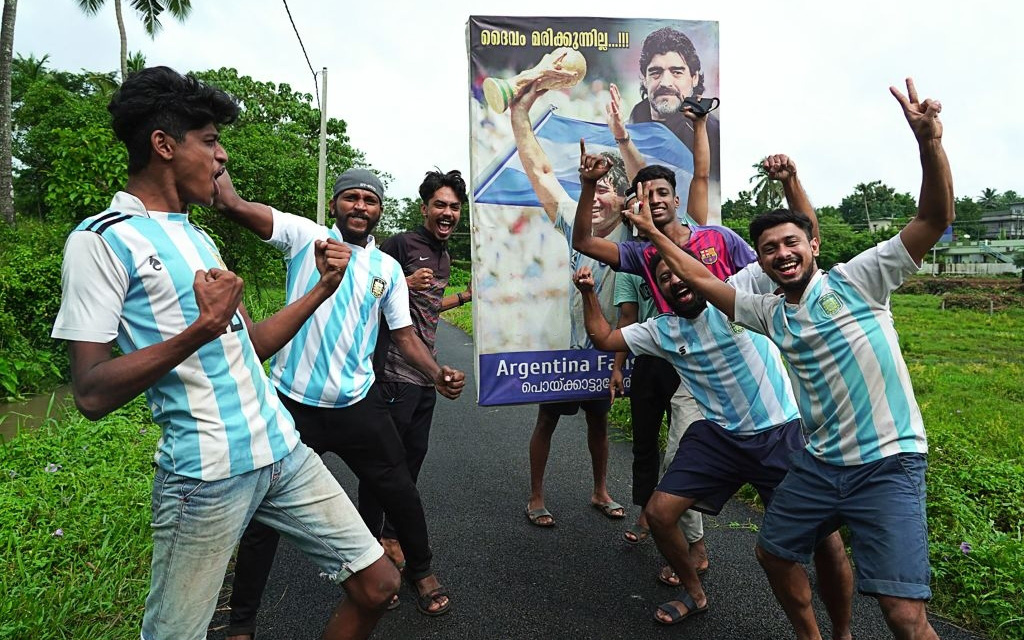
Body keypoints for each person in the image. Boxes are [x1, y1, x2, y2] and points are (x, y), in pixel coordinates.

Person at [50, 66, 399, 640]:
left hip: (282, 449)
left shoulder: (196, 233)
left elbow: (246, 347)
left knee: (378, 586)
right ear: (164, 145)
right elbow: (89, 393)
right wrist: (201, 329)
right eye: (210, 142)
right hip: (205, 475)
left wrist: (320, 292)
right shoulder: (101, 239)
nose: (222, 158)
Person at [627, 77, 950, 640]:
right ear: (762, 260)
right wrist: (655, 235)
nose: (781, 253)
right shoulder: (767, 312)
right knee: (774, 554)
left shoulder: (860, 281)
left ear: (813, 245)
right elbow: (702, 277)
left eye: (791, 243)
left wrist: (928, 144)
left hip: (889, 460)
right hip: (821, 461)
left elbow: (932, 219)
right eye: (770, 248)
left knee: (903, 615)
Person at [216, 167, 465, 635]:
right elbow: (242, 209)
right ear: (334, 204)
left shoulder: (387, 270)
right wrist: (223, 185)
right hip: (290, 405)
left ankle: (422, 572)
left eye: (369, 201)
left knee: (402, 492)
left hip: (357, 404)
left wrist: (436, 373)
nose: (360, 207)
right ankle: (242, 623)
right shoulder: (305, 238)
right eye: (351, 198)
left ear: (379, 211)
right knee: (263, 519)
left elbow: (405, 336)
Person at [575, 258, 853, 630]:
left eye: (679, 271)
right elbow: (604, 339)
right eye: (663, 279)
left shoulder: (737, 292)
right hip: (719, 436)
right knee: (659, 514)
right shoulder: (663, 330)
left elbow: (798, 244)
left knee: (827, 540)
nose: (674, 280)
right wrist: (589, 292)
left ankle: (842, 631)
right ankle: (694, 592)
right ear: (660, 291)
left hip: (782, 433)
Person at [507, 80, 630, 526]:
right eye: (590, 188)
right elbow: (540, 171)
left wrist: (621, 138)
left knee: (600, 424)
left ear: (625, 196)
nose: (596, 198)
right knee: (548, 421)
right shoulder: (575, 222)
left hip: (612, 352)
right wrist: (520, 113)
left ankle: (600, 491)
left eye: (606, 189)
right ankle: (536, 497)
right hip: (571, 352)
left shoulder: (637, 236)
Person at [364, 168, 471, 571]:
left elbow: (429, 307)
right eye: (440, 205)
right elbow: (369, 289)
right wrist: (402, 282)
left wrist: (463, 296)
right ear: (424, 207)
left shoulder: (443, 253)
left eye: (454, 207)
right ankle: (371, 545)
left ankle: (392, 535)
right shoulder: (399, 244)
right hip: (393, 373)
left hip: (425, 370)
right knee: (385, 462)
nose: (447, 213)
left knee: (413, 458)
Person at [627, 26, 721, 200]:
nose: (665, 82)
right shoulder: (630, 125)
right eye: (655, 73)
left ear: (694, 78)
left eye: (677, 72)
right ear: (644, 78)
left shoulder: (712, 133)